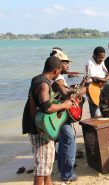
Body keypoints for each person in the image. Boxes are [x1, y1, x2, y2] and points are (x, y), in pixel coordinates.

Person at [22, 56, 74, 185]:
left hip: (39, 126)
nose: (60, 74)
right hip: (39, 128)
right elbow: (46, 107)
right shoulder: (44, 84)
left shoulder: (38, 79)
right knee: (41, 167)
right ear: (56, 70)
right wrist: (65, 105)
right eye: (60, 71)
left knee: (47, 163)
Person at [50, 48, 86, 182]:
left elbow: (64, 92)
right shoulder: (58, 79)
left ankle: (63, 168)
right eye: (66, 63)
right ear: (58, 64)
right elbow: (65, 94)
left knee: (66, 140)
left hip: (59, 114)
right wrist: (81, 90)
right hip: (60, 115)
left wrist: (75, 88)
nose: (68, 65)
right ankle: (66, 173)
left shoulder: (58, 77)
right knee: (69, 139)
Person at [86, 46, 109, 118]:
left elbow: (107, 73)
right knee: (96, 114)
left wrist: (108, 77)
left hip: (102, 88)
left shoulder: (101, 61)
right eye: (100, 57)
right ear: (94, 55)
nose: (101, 59)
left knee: (105, 110)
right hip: (92, 89)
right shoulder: (90, 63)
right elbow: (95, 79)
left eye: (103, 57)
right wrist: (107, 80)